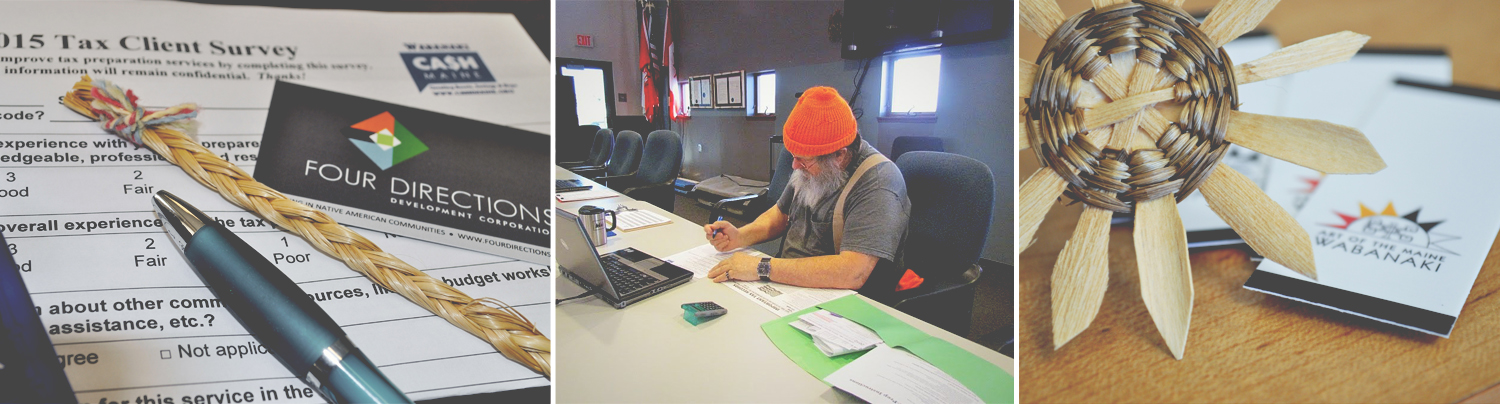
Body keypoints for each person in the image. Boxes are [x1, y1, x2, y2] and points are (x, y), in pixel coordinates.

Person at [704, 86, 909, 292]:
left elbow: (853, 272)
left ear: (839, 155)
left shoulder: (878, 181)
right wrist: (739, 236)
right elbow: (779, 215)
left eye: (803, 160)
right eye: (794, 156)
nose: (794, 166)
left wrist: (761, 267)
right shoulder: (809, 168)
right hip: (789, 283)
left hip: (842, 297)